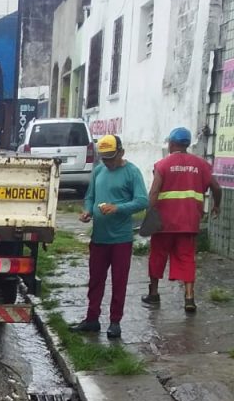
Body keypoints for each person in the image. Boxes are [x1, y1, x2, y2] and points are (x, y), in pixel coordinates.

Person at [69, 135, 148, 340]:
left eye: (111, 158)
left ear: (121, 153)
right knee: (96, 279)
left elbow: (142, 201)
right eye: (104, 158)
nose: (108, 163)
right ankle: (92, 319)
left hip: (121, 238)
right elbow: (90, 197)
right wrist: (87, 211)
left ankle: (115, 322)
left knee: (119, 281)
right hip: (99, 237)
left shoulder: (132, 172)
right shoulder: (98, 171)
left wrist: (118, 208)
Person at [142, 126, 221, 313]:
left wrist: (150, 213)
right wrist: (216, 205)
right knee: (187, 258)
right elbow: (216, 187)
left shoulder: (162, 165)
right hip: (189, 222)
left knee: (157, 256)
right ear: (186, 145)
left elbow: (154, 191)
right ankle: (189, 297)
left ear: (171, 143)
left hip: (164, 223)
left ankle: (153, 293)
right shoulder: (201, 164)